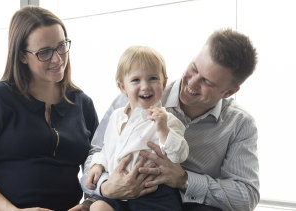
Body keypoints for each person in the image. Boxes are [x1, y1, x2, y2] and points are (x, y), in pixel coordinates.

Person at [80, 28, 259, 211]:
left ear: (229, 92)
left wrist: (184, 179)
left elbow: (246, 196)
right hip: (118, 197)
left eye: (207, 82)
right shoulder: (135, 97)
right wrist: (106, 187)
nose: (192, 83)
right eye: (194, 68)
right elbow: (97, 153)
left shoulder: (240, 124)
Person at [0, 6, 98, 211]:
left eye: (61, 46)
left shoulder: (82, 103)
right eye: (44, 52)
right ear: (22, 56)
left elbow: (98, 167)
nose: (58, 58)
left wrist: (89, 204)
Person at [84, 46, 189, 211]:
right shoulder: (117, 116)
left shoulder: (167, 120)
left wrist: (163, 131)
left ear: (164, 83)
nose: (145, 86)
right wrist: (98, 165)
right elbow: (108, 149)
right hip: (118, 189)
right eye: (136, 80)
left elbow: (179, 155)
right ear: (122, 87)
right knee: (97, 207)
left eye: (153, 78)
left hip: (154, 192)